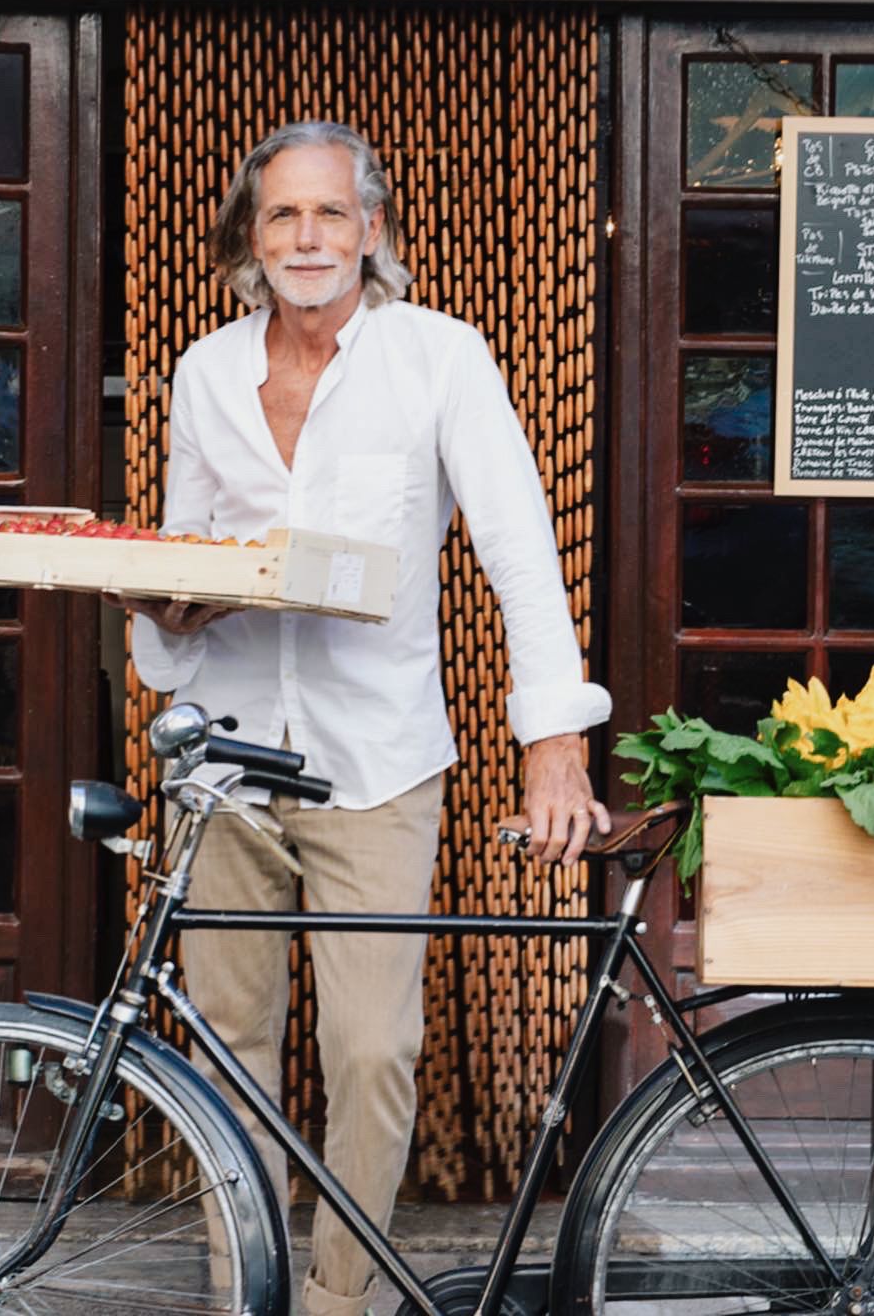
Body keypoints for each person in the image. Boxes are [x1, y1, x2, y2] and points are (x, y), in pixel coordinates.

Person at [124, 121, 611, 1316]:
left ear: (372, 230)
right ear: (251, 237)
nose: (307, 237)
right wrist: (167, 606)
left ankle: (343, 1302)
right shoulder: (205, 372)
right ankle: (246, 1289)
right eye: (283, 215)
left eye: (330, 213)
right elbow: (190, 566)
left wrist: (554, 741)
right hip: (225, 759)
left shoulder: (440, 357)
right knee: (223, 1045)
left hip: (378, 762)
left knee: (373, 1052)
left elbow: (517, 549)